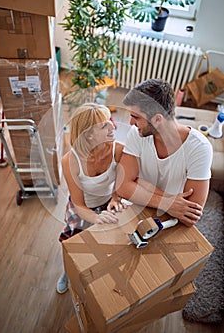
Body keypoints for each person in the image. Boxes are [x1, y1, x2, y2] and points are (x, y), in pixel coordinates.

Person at [116, 79, 213, 227]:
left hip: (170, 219)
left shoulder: (200, 148)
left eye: (136, 117)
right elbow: (122, 187)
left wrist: (138, 186)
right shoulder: (136, 133)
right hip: (141, 207)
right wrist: (168, 202)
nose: (130, 123)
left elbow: (190, 213)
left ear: (157, 119)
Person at [57, 103, 126, 294]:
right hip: (82, 207)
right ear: (89, 135)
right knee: (72, 243)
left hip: (106, 203)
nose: (113, 126)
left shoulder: (118, 150)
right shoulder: (70, 161)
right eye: (104, 125)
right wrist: (95, 218)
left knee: (103, 243)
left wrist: (115, 198)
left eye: (110, 120)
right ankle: (67, 272)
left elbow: (121, 182)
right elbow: (78, 203)